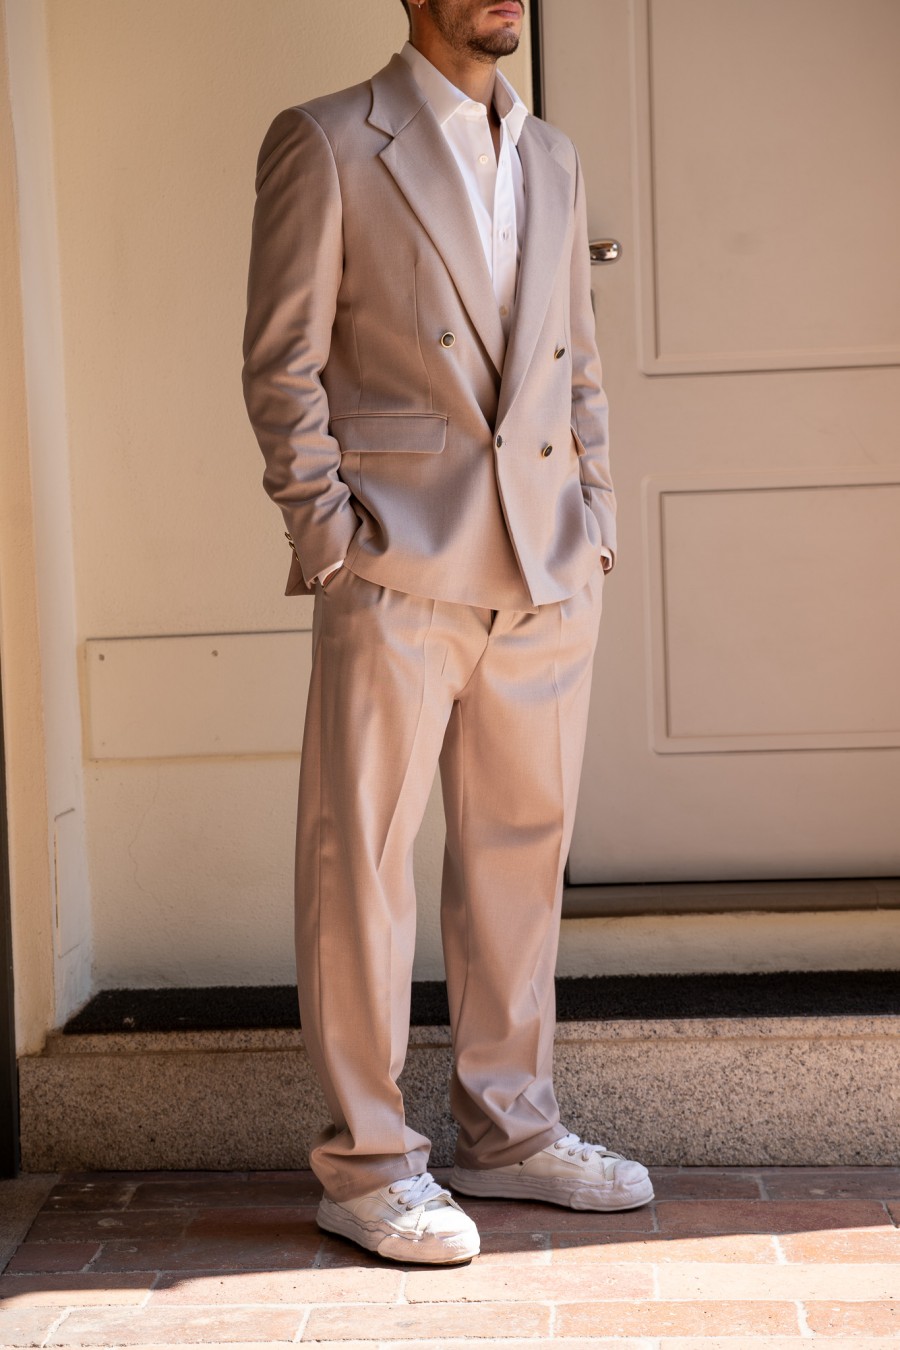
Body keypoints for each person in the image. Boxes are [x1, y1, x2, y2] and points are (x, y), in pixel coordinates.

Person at [241, 0, 653, 1266]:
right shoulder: (327, 140)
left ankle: (509, 1134)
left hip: (545, 565)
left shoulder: (553, 154)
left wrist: (596, 521)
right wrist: (333, 540)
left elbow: (577, 365)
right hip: (399, 563)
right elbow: (281, 365)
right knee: (359, 861)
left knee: (520, 856)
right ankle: (369, 1164)